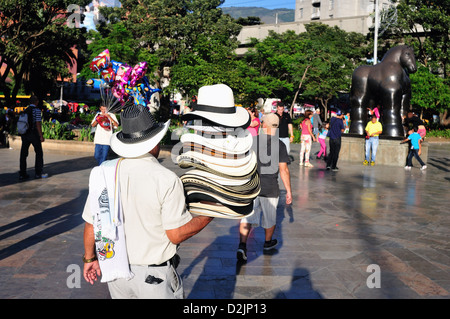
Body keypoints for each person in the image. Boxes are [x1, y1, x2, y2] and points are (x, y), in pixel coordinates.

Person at [82, 105, 214, 299]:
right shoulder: (165, 179)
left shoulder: (104, 172)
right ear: (155, 142)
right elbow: (176, 234)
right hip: (154, 278)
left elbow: (92, 224)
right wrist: (208, 215)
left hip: (115, 271)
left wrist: (89, 258)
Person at [237, 113, 292, 262]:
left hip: (251, 187)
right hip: (270, 187)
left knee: (247, 218)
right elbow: (284, 170)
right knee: (270, 218)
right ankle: (267, 243)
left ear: (263, 125)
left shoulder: (252, 142)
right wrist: (288, 191)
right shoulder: (279, 145)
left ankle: (242, 245)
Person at [19, 95, 47, 180]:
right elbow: (38, 124)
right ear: (36, 102)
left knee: (23, 154)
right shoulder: (37, 110)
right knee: (39, 153)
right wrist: (41, 136)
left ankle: (22, 173)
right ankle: (38, 173)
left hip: (25, 134)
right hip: (33, 134)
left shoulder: (25, 110)